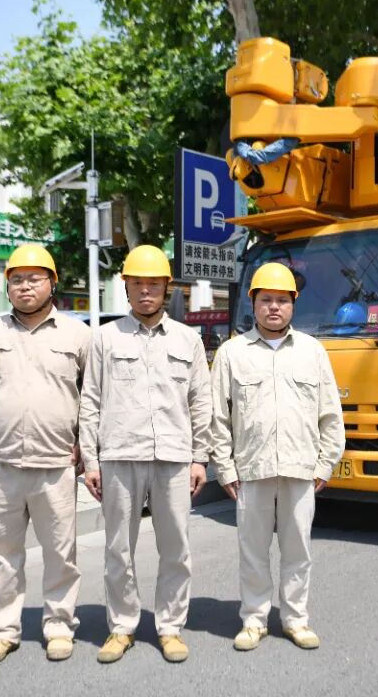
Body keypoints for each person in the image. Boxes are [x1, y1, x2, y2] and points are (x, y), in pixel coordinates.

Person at [0, 244, 91, 666]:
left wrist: (85, 445)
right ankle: (1, 631)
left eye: (34, 278)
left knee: (61, 555)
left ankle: (59, 626)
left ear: (53, 283)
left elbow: (92, 396)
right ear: (7, 287)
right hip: (0, 466)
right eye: (17, 279)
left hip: (56, 465)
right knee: (2, 554)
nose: (25, 286)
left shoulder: (77, 335)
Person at [78, 244, 212, 664]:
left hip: (173, 457)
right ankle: (122, 626)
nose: (146, 291)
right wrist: (91, 460)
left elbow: (201, 402)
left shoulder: (188, 339)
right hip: (119, 455)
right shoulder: (105, 338)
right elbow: (90, 400)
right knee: (118, 549)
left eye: (154, 284)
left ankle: (170, 627)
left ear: (167, 287)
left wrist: (199, 457)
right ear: (126, 287)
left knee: (176, 548)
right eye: (137, 283)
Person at [209, 261, 345, 652]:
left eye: (282, 300)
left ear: (293, 304)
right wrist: (225, 469)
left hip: (301, 468)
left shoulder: (312, 352)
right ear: (252, 303)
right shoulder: (232, 354)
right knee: (252, 551)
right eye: (266, 299)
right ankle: (254, 620)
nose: (274, 307)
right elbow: (218, 417)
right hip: (251, 469)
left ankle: (295, 619)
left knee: (297, 550)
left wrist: (325, 464)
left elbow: (330, 414)